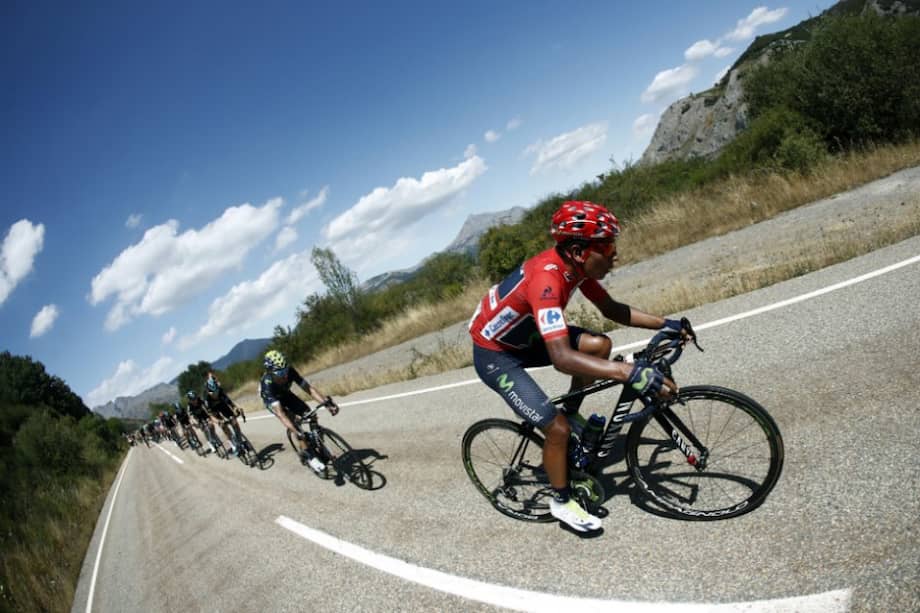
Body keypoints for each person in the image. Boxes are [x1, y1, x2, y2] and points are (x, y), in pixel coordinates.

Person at [468, 200, 692, 532]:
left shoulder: (575, 267)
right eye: (608, 246)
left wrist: (666, 324)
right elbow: (561, 358)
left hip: (527, 338)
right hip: (496, 354)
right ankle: (561, 503)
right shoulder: (548, 281)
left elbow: (612, 309)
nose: (615, 254)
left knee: (599, 345)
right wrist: (626, 371)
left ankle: (572, 410)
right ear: (578, 250)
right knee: (556, 429)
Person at [260, 350, 339, 471]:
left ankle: (319, 444)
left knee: (310, 414)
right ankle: (310, 456)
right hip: (274, 402)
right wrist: (296, 431)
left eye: (285, 370)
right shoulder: (267, 384)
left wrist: (326, 404)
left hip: (286, 395)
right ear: (271, 372)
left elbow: (309, 389)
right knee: (296, 427)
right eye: (280, 373)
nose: (285, 375)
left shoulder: (289, 371)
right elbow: (281, 414)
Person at [203, 375, 247, 456]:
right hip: (214, 411)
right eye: (213, 393)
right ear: (208, 392)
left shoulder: (220, 390)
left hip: (223, 406)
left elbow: (229, 402)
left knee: (234, 421)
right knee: (223, 426)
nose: (215, 394)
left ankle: (240, 441)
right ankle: (233, 445)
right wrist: (219, 421)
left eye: (216, 392)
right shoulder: (206, 398)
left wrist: (236, 409)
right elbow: (210, 415)